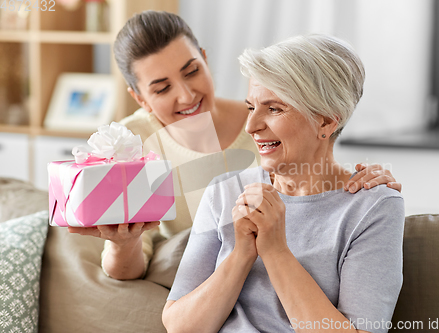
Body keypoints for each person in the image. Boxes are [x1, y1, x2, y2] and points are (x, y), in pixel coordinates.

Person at [68, 11, 402, 282]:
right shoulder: (130, 147)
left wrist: (358, 183)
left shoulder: (266, 126)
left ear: (204, 59)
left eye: (192, 71)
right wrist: (123, 244)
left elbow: (315, 188)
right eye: (162, 88)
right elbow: (125, 271)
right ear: (140, 98)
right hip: (194, 285)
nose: (186, 95)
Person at [162, 34, 404, 333]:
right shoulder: (224, 192)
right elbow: (179, 327)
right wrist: (242, 254)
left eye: (274, 109)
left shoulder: (372, 208)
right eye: (251, 107)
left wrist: (275, 251)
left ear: (326, 122)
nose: (251, 126)